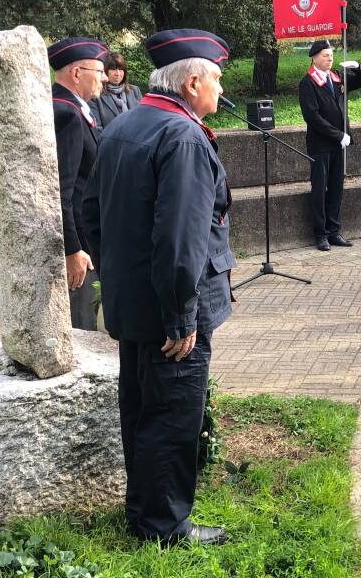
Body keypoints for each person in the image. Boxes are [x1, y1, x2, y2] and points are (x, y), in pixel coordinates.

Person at [82, 28, 234, 545]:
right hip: (170, 311)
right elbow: (179, 239)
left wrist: (118, 274)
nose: (220, 88)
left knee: (142, 410)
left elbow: (90, 213)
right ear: (192, 82)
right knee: (172, 416)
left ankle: (144, 513)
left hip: (134, 302)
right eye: (215, 78)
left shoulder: (125, 124)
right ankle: (165, 527)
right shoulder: (183, 136)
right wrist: (180, 314)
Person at [49, 36, 109, 331]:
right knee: (81, 324)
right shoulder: (67, 114)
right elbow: (62, 189)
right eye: (98, 71)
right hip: (81, 244)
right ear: (76, 73)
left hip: (86, 237)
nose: (105, 77)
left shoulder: (75, 108)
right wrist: (72, 250)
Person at [298, 40, 361, 251]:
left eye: (331, 55)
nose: (329, 59)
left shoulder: (337, 76)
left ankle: (334, 231)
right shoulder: (308, 83)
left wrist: (359, 68)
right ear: (314, 57)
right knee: (320, 189)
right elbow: (312, 116)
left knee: (337, 187)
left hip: (339, 143)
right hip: (321, 144)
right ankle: (320, 234)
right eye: (325, 56)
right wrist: (337, 135)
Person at [89, 52, 143, 129]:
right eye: (113, 69)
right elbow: (97, 129)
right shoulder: (96, 95)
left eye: (121, 69)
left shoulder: (134, 90)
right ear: (105, 71)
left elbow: (142, 119)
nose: (117, 73)